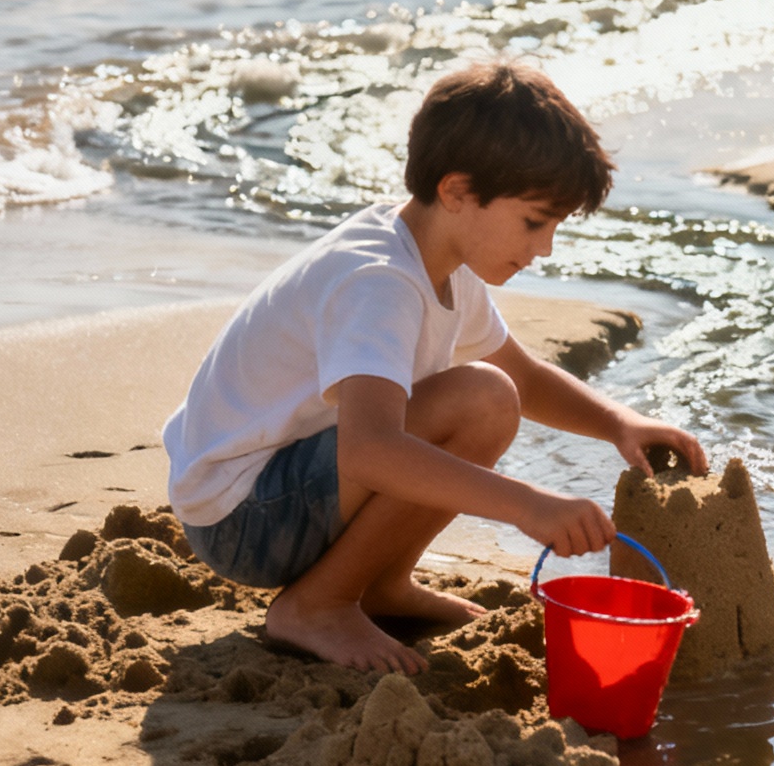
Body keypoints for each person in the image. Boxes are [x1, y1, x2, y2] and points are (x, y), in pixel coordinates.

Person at [164, 61, 706, 674]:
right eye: (534, 221)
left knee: (493, 393)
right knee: (480, 400)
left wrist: (618, 423)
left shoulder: (441, 263)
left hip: (279, 491)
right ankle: (317, 604)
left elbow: (526, 379)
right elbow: (370, 451)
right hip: (242, 516)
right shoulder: (380, 282)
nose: (545, 247)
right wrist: (529, 505)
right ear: (455, 192)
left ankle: (380, 586)